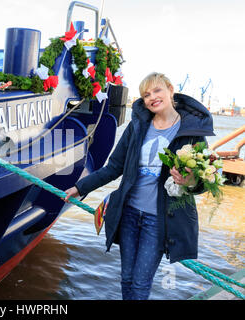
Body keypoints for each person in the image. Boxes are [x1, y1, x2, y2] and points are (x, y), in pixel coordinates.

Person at [64, 72, 214, 300]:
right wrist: (80, 187)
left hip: (159, 219)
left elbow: (203, 182)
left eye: (157, 90)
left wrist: (190, 181)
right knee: (126, 279)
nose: (152, 97)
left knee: (141, 283)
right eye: (146, 94)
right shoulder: (137, 127)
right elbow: (113, 167)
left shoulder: (192, 132)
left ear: (170, 89)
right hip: (130, 214)